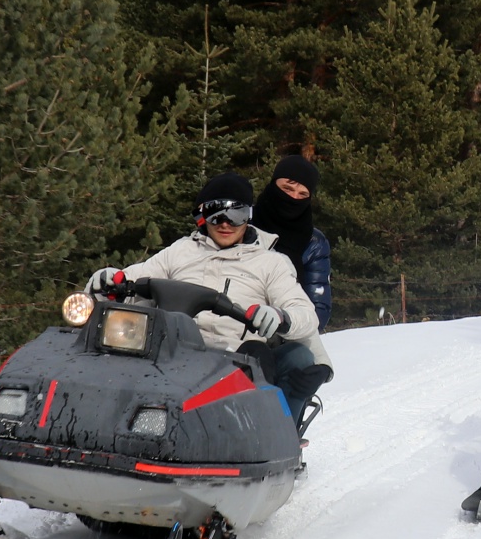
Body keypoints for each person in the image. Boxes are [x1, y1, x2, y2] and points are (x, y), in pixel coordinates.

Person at [86, 172, 332, 426]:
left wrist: (280, 316)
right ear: (203, 215)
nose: (225, 223)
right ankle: (105, 421)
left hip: (234, 360)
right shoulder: (181, 251)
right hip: (174, 351)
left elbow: (304, 312)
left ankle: (255, 433)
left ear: (248, 217)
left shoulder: (269, 263)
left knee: (269, 354)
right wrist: (110, 280)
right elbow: (135, 276)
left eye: (236, 214)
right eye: (216, 213)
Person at [251, 155, 333, 330]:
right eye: (287, 189)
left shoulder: (314, 242)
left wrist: (285, 326)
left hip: (286, 332)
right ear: (274, 185)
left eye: (303, 194)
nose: (294, 198)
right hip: (231, 325)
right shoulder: (241, 225)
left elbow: (318, 308)